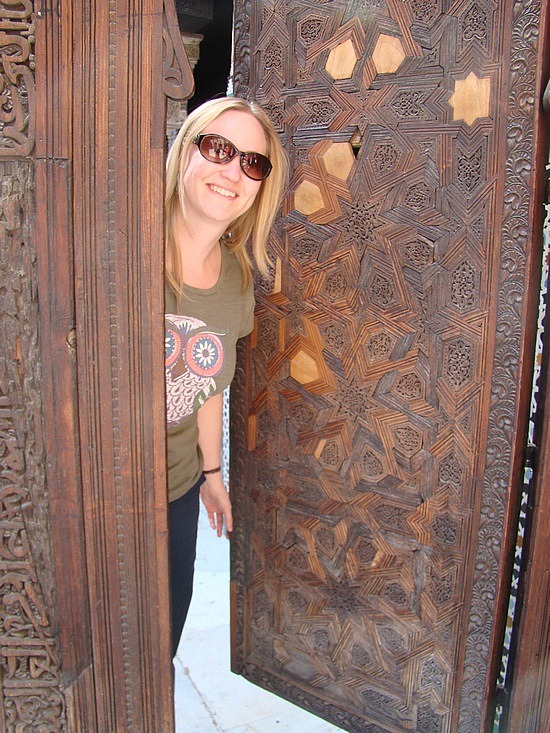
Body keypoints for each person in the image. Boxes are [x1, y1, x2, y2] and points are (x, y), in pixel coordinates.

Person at [164, 96, 287, 657]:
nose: (233, 171)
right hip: (95, 489)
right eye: (219, 149)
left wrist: (211, 474)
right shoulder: (122, 245)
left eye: (252, 163)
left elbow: (208, 387)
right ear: (185, 151)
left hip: (175, 489)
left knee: (158, 643)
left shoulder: (237, 276)